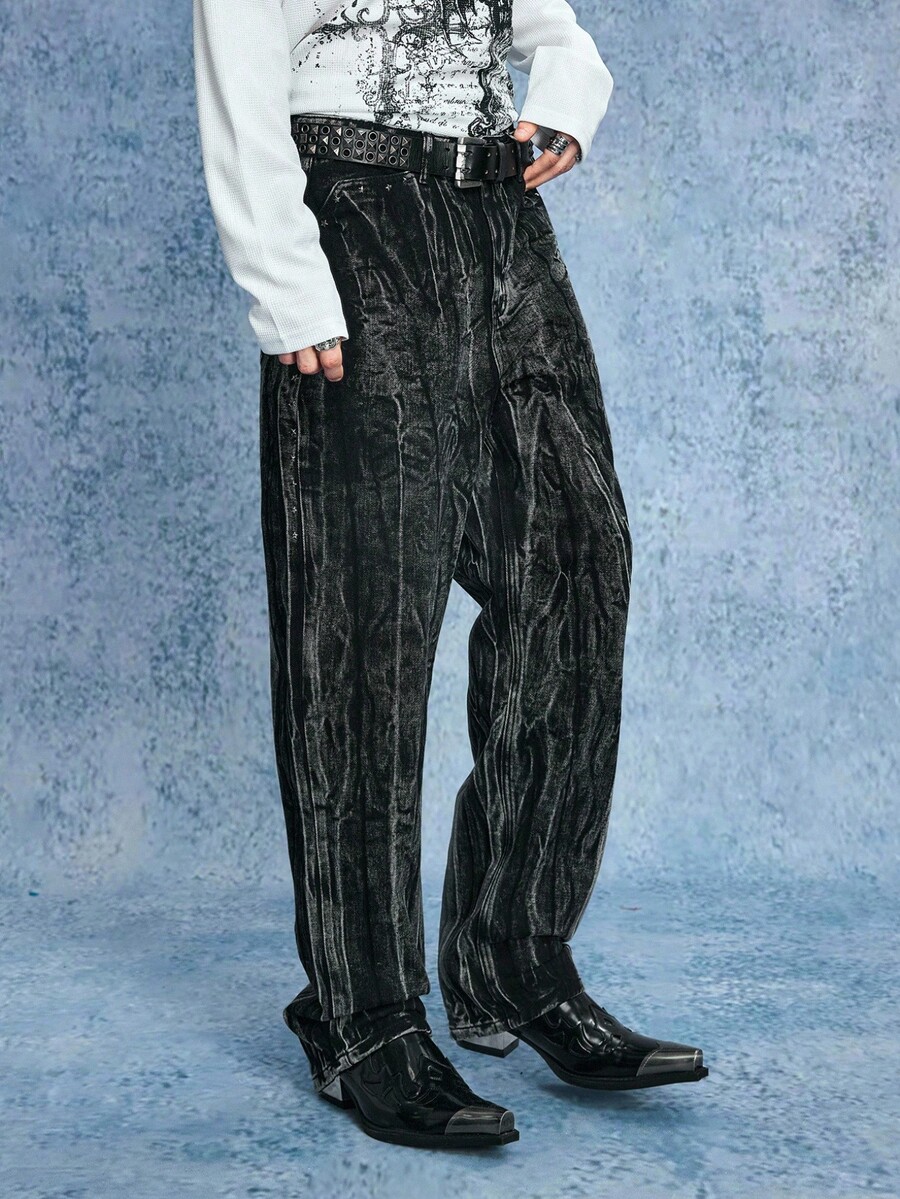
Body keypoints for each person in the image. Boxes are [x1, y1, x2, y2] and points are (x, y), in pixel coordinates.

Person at [192, 0, 708, 1151]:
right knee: (364, 619)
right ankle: (361, 1012)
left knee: (576, 563)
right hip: (356, 215)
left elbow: (551, 33)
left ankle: (510, 953)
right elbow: (238, 62)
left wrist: (563, 104)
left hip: (500, 219)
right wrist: (284, 279)